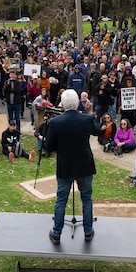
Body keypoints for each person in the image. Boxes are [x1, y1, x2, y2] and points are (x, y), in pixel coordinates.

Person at [44, 89, 101, 244]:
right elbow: (98, 131)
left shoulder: (56, 122)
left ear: (62, 105)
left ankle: (56, 233)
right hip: (84, 165)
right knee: (87, 199)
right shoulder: (87, 119)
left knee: (61, 200)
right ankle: (88, 231)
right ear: (77, 103)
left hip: (65, 166)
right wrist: (90, 113)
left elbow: (48, 147)